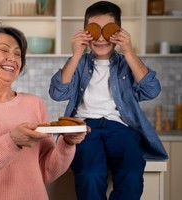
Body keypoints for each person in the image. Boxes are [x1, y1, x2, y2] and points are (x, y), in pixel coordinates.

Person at [0, 23, 89, 200]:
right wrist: (12, 141)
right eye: (4, 50)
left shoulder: (34, 103)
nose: (12, 58)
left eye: (17, 53)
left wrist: (67, 143)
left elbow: (46, 171)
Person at [48, 1, 168, 200]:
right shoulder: (79, 63)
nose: (102, 38)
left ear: (119, 33)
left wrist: (128, 51)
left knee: (131, 172)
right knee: (90, 173)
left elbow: (152, 89)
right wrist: (77, 52)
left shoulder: (126, 64)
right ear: (86, 32)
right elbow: (57, 93)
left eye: (108, 31)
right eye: (95, 31)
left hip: (121, 128)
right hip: (84, 129)